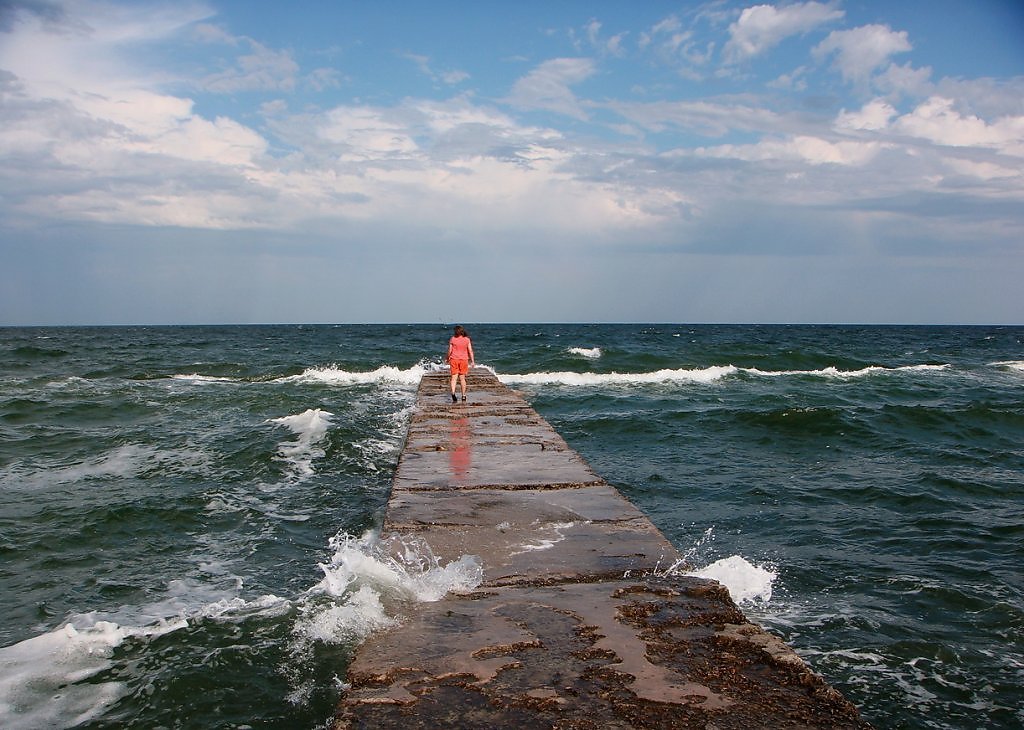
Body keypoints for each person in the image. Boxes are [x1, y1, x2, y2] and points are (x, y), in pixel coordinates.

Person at [447, 325, 475, 402]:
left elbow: (450, 351)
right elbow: (470, 351)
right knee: (462, 379)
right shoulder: (467, 339)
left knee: (454, 378)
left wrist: (447, 358)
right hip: (464, 360)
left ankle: (453, 393)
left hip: (454, 359)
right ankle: (463, 395)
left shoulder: (453, 339)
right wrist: (472, 361)